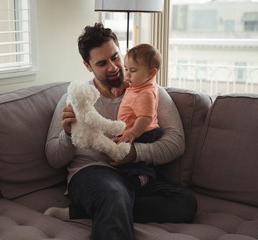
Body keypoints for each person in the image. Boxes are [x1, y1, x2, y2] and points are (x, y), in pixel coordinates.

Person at [45, 23, 197, 240]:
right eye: (102, 63)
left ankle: (88, 211)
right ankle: (108, 205)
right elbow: (53, 157)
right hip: (93, 174)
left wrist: (135, 153)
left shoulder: (151, 92)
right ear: (88, 66)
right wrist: (68, 135)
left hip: (137, 174)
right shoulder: (76, 99)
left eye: (115, 57)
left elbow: (176, 142)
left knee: (185, 203)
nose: (114, 67)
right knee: (113, 194)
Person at [114, 44, 164, 188]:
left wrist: (132, 133)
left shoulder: (145, 93)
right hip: (140, 132)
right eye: (126, 69)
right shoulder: (139, 83)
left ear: (151, 73)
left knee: (127, 163)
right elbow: (130, 84)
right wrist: (123, 85)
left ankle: (143, 176)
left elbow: (145, 118)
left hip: (143, 132)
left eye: (133, 70)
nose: (127, 75)